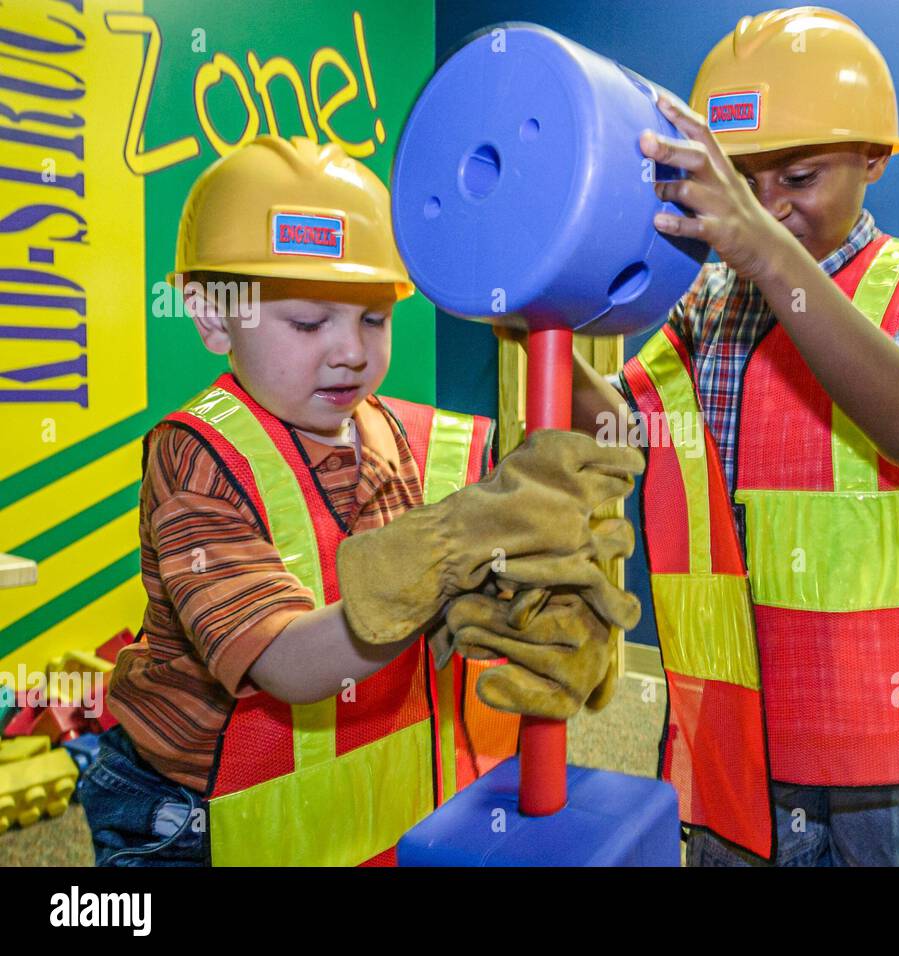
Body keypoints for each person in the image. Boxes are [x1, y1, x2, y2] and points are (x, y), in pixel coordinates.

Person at [77, 135, 643, 866]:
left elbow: (609, 432)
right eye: (310, 322)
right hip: (189, 811)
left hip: (357, 797)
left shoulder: (413, 436)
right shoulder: (198, 458)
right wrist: (445, 556)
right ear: (213, 314)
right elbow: (284, 664)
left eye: (374, 317)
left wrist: (529, 316)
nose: (351, 350)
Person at [567, 7, 899, 866]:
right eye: (745, 182)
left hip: (885, 727)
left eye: (799, 177)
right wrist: (529, 315)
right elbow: (622, 433)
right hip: (740, 710)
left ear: (875, 158)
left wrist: (765, 253)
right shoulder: (709, 307)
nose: (768, 208)